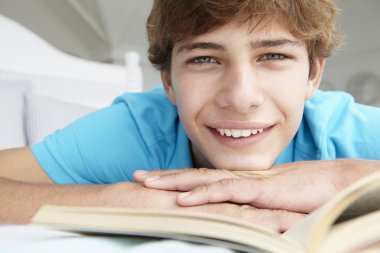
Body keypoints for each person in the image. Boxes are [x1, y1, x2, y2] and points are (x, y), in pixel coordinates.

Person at [0, 0, 379, 232]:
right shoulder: (139, 129)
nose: (241, 98)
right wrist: (141, 202)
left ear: (313, 75)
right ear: (168, 81)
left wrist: (344, 177)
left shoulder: (348, 133)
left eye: (274, 56)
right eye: (204, 59)